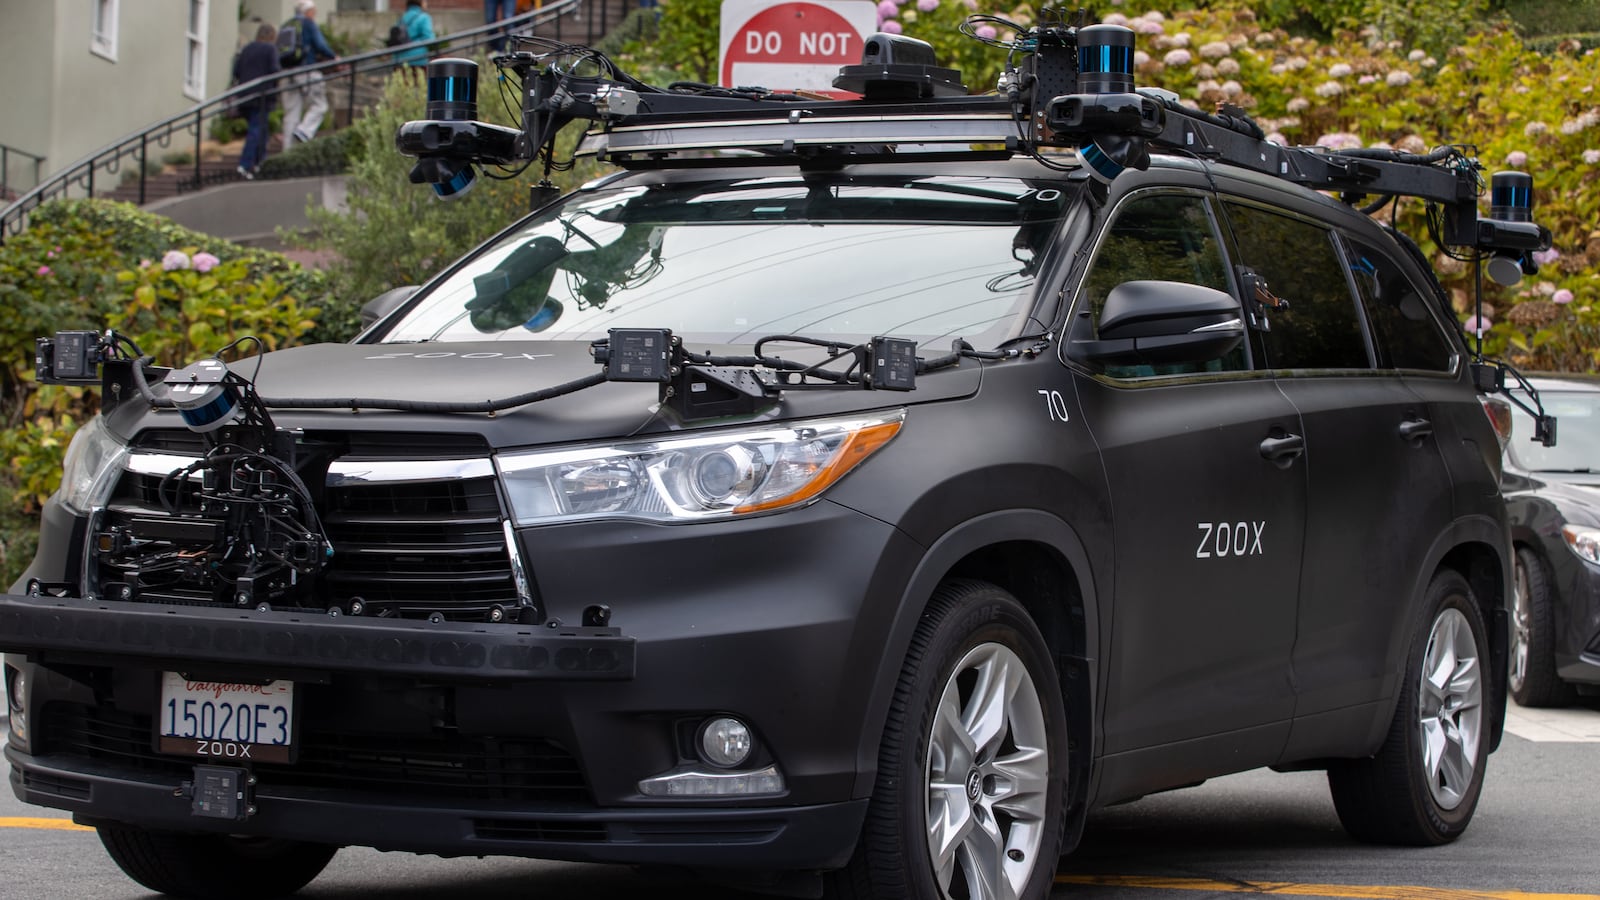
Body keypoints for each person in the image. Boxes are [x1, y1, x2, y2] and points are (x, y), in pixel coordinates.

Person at [281, 0, 339, 150]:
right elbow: (320, 44)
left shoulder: (287, 24)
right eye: (314, 12)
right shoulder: (308, 23)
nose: (315, 15)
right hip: (306, 70)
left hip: (287, 73)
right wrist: (334, 57)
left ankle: (287, 151)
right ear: (308, 12)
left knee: (291, 113)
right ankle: (304, 131)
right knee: (320, 105)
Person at [232, 23, 282, 179]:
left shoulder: (247, 49)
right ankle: (245, 165)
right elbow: (275, 71)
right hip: (261, 97)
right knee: (256, 130)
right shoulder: (270, 49)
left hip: (244, 96)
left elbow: (236, 71)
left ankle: (260, 163)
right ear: (272, 36)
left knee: (261, 131)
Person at [393, 0, 435, 74]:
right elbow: (429, 39)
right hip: (418, 60)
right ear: (421, 2)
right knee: (419, 81)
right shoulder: (424, 17)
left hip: (399, 59)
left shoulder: (402, 18)